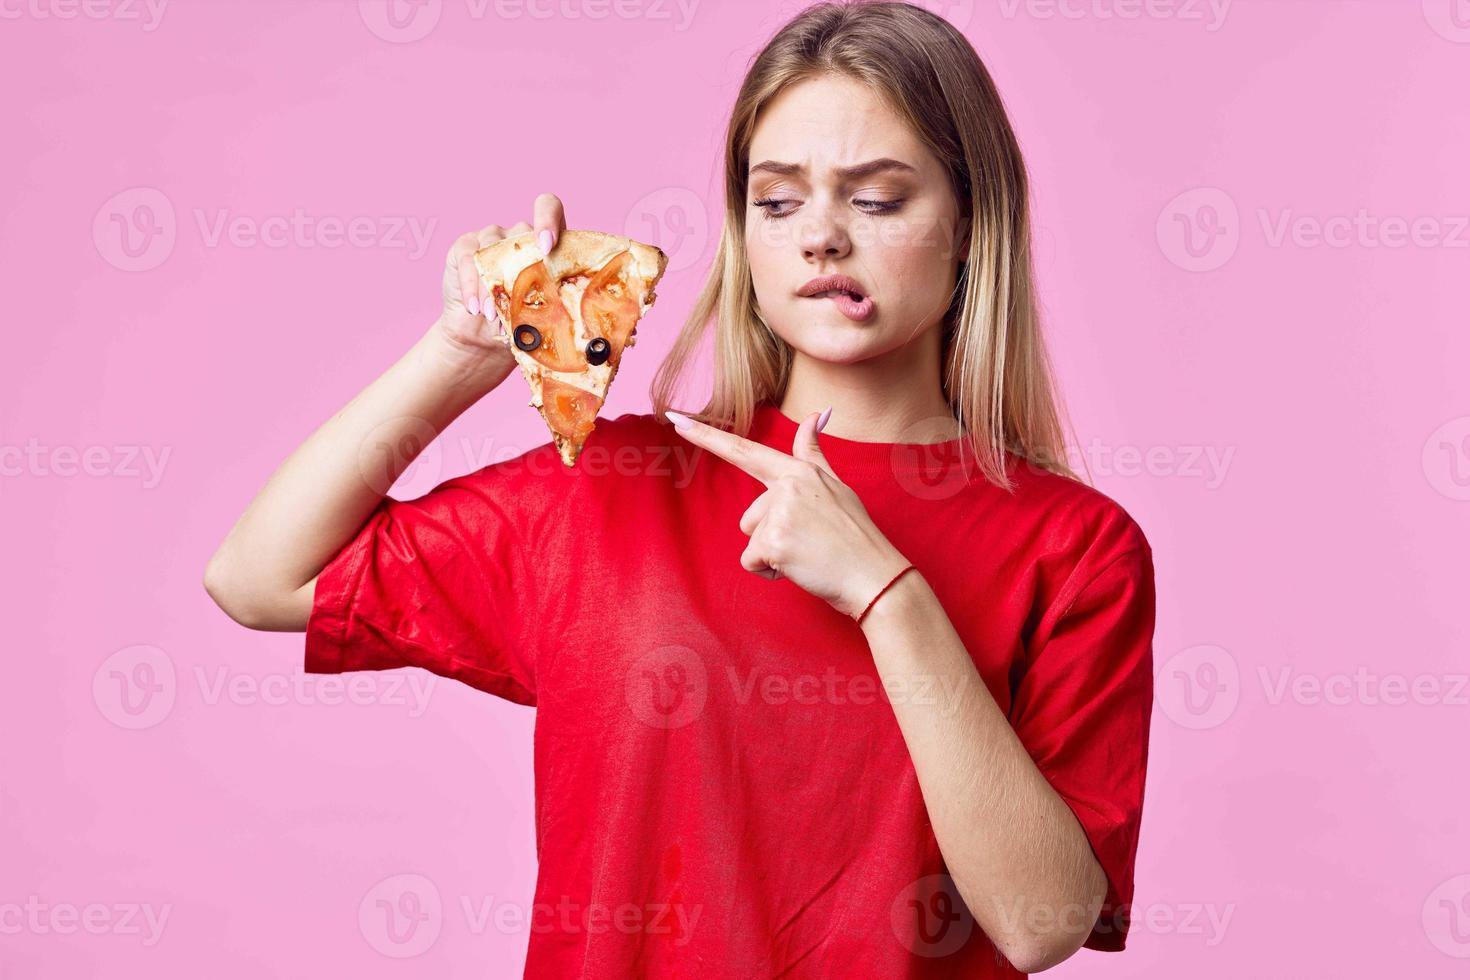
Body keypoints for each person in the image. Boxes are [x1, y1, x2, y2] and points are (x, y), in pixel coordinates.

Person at [204, 2, 1156, 976]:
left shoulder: (1078, 546)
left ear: (968, 226)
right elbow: (260, 576)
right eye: (779, 200)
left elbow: (1042, 922)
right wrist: (457, 355)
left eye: (876, 199)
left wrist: (887, 592)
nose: (821, 237)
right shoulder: (615, 489)